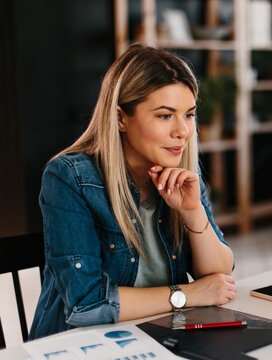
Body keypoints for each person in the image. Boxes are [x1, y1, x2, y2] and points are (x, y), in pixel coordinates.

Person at [29, 44, 235, 340]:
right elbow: (86, 304)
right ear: (121, 118)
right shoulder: (69, 177)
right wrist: (186, 295)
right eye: (165, 116)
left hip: (160, 334)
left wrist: (192, 211)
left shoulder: (179, 169)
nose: (183, 131)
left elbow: (219, 276)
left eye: (188, 114)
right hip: (80, 344)